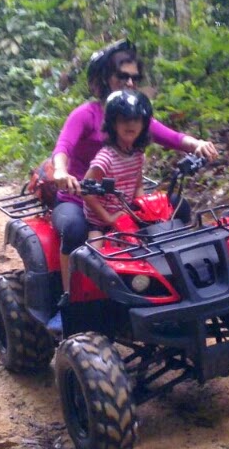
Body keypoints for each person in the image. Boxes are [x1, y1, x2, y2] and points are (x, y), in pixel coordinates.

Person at [49, 39, 219, 314]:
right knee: (75, 230)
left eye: (134, 77)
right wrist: (60, 171)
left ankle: (173, 284)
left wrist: (197, 143)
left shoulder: (135, 115)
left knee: (178, 207)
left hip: (121, 198)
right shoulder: (85, 115)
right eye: (122, 76)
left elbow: (172, 137)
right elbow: (63, 148)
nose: (129, 82)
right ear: (104, 78)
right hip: (78, 195)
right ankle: (70, 304)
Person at [82, 89, 153, 241]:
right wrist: (108, 218)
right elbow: (86, 190)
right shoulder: (105, 159)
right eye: (124, 120)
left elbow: (138, 185)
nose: (131, 124)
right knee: (96, 256)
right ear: (113, 124)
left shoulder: (138, 155)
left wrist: (142, 208)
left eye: (137, 120)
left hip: (126, 214)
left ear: (144, 124)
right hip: (100, 220)